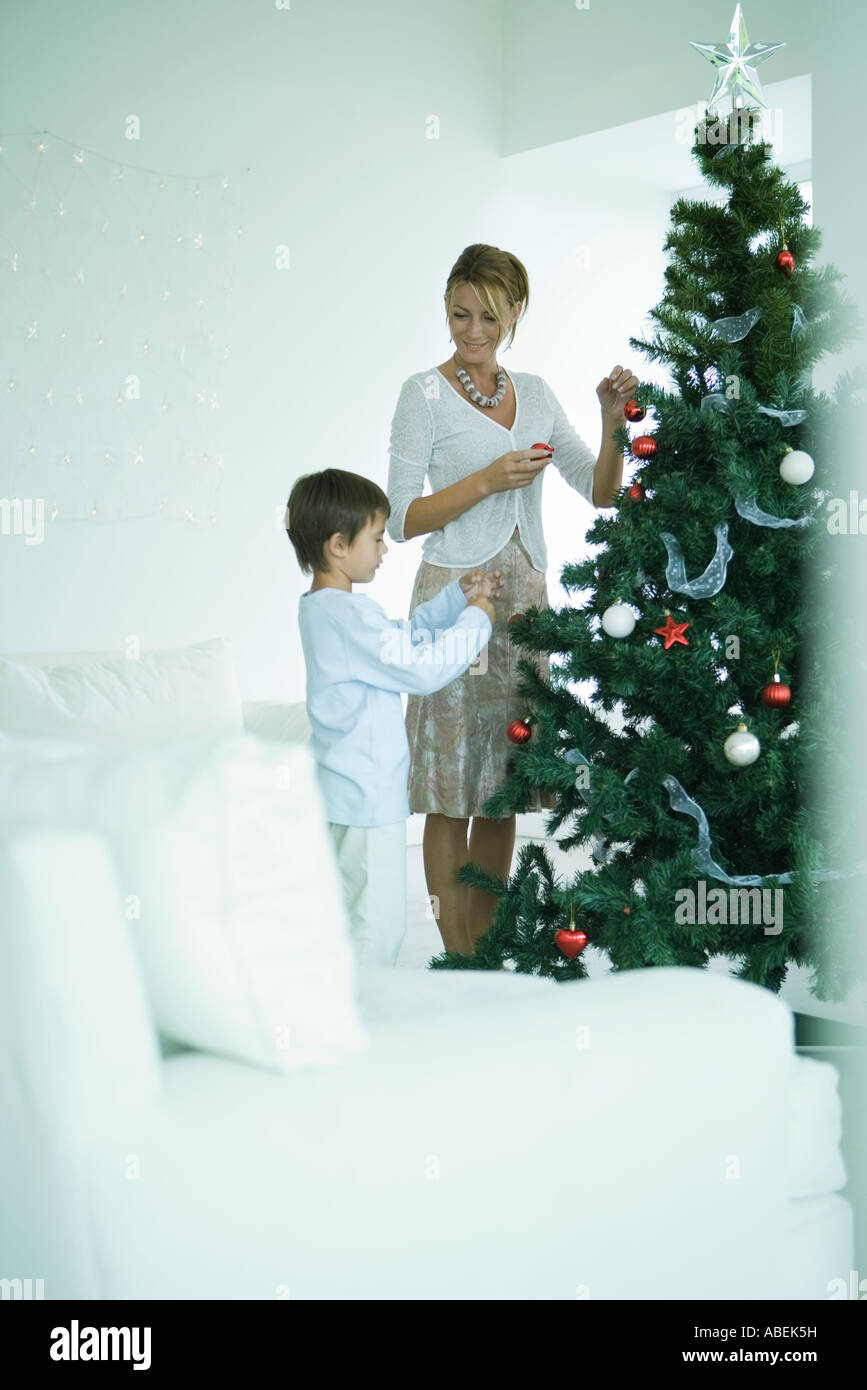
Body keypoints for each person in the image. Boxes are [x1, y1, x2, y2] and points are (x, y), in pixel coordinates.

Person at [386, 242, 639, 958]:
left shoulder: (534, 390)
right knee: (448, 787)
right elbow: (401, 518)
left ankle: (487, 947)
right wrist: (487, 481)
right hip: (453, 600)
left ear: (515, 313)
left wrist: (611, 421)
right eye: (459, 314)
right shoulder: (422, 395)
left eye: (487, 317)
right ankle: (454, 951)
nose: (470, 331)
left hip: (525, 604)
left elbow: (600, 491)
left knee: (502, 786)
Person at [286, 466, 502, 967]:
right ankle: (365, 1017)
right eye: (378, 539)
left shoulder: (326, 611)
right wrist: (478, 620)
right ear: (338, 546)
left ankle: (340, 1005)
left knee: (348, 916)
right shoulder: (350, 617)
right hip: (366, 799)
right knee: (377, 926)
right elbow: (422, 668)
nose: (384, 551)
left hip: (342, 795)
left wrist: (455, 599)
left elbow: (401, 640)